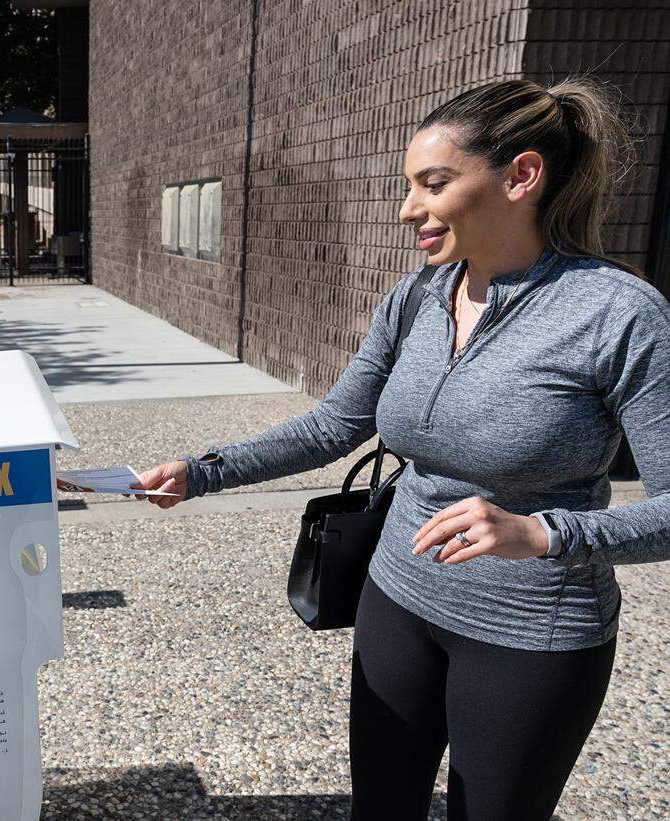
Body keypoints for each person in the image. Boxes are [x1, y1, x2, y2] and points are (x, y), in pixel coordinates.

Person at [134, 77, 669, 820]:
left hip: (532, 633)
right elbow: (331, 426)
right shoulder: (417, 296)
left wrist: (541, 532)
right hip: (398, 598)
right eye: (407, 185)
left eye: (434, 184)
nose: (407, 208)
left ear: (520, 176)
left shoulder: (620, 315)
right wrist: (202, 472)